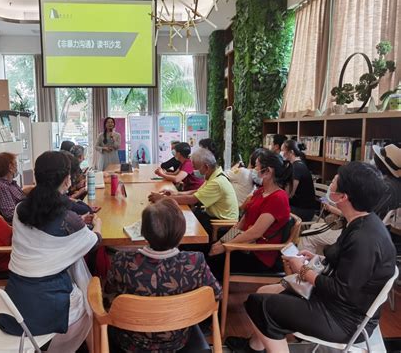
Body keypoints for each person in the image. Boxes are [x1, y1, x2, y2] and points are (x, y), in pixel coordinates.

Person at [226, 162, 396, 353]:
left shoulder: (364, 238)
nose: (331, 183)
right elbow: (350, 269)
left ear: (343, 197)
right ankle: (253, 346)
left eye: (335, 181)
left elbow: (342, 290)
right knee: (265, 290)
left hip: (344, 319)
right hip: (339, 305)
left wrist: (303, 270)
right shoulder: (363, 222)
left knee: (260, 304)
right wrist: (317, 259)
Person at [0, 151, 101, 352]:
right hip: (49, 305)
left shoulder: (20, 210)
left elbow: (44, 231)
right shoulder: (67, 219)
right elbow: (94, 242)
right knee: (89, 303)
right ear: (67, 179)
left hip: (15, 302)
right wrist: (98, 224)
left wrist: (78, 222)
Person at [105, 198, 222, 352]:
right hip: (178, 340)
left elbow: (107, 297)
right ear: (181, 232)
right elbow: (216, 294)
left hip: (131, 342)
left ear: (143, 232)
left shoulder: (122, 261)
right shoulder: (194, 261)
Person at [299, 143, 401, 254]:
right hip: (368, 230)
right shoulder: (390, 186)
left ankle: (305, 266)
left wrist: (335, 208)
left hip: (357, 232)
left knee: (307, 235)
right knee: (315, 227)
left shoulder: (384, 188)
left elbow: (361, 215)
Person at [207, 149, 293, 280]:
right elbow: (241, 224)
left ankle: (216, 296)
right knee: (207, 249)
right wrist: (221, 242)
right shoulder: (260, 192)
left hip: (259, 255)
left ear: (268, 172)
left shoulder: (278, 198)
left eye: (257, 166)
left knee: (213, 259)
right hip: (245, 246)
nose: (253, 169)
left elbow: (255, 233)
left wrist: (226, 247)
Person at [148, 148, 239, 235]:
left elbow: (192, 199)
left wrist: (164, 199)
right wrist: (176, 193)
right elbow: (197, 191)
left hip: (221, 225)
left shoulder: (217, 182)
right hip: (211, 216)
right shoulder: (215, 176)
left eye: (196, 168)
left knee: (180, 225)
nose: (194, 171)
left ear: (206, 167)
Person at [282, 139, 318, 221]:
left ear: (291, 152)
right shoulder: (294, 164)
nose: (282, 153)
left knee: (275, 209)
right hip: (298, 206)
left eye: (283, 150)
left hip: (304, 211)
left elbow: (290, 194)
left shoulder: (297, 167)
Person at [0, 152, 25, 224]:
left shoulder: (10, 184)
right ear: (10, 168)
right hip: (20, 227)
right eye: (16, 164)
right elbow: (10, 215)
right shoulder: (1, 188)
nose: (17, 167)